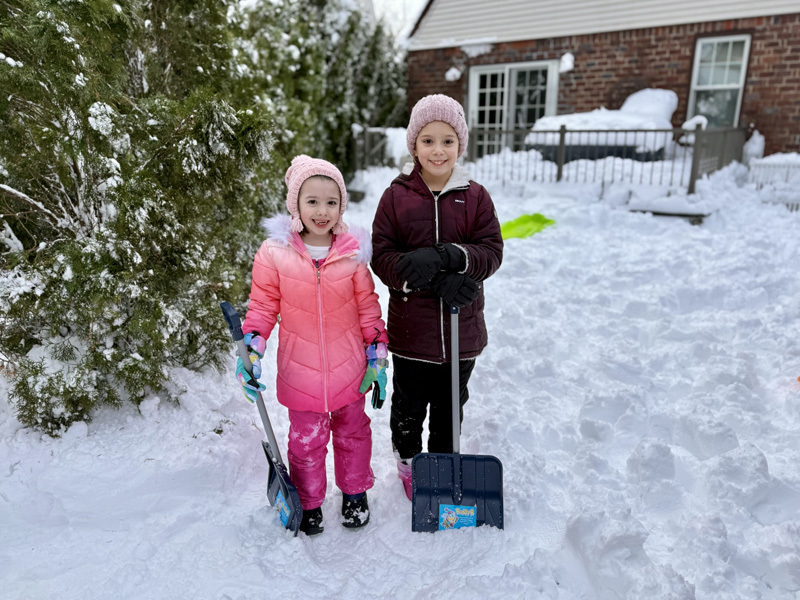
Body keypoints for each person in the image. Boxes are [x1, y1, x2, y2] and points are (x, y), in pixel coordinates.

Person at [237, 155, 389, 536]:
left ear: (341, 206)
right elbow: (261, 308)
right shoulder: (274, 254)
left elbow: (368, 308)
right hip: (300, 375)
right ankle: (309, 501)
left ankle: (355, 493)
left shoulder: (353, 254)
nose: (322, 211)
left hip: (351, 370)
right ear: (296, 205)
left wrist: (378, 354)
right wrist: (251, 350)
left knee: (354, 434)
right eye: (312, 201)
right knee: (305, 442)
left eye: (331, 202)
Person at [370, 94, 503, 500]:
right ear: (414, 146)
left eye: (447, 140)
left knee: (449, 411)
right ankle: (410, 464)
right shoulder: (396, 196)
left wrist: (453, 258)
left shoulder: (475, 196)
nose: (438, 150)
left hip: (462, 332)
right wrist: (417, 275)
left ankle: (444, 465)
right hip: (412, 334)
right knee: (408, 409)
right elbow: (383, 255)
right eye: (428, 140)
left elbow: (492, 251)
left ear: (460, 145)